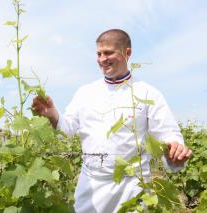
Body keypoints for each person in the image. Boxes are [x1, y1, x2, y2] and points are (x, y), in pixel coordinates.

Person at [32, 29, 192, 213]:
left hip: (133, 188)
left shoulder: (147, 93)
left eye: (108, 53)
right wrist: (53, 116)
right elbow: (66, 128)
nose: (102, 59)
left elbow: (167, 133)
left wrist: (176, 148)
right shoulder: (85, 92)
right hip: (91, 186)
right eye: (99, 54)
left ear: (127, 53)